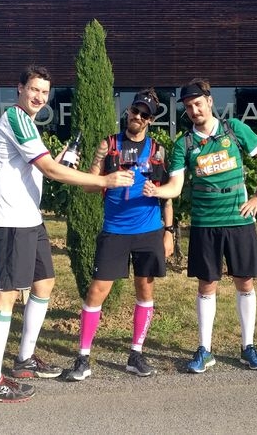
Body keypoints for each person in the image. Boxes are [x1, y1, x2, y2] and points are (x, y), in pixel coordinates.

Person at [0, 65, 134, 403]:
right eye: (34, 89)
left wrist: (63, 158)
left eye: (44, 92)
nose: (39, 97)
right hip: (10, 219)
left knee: (44, 282)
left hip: (28, 217)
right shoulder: (17, 119)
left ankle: (24, 359)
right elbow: (49, 169)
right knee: (6, 295)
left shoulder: (29, 124)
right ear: (19, 88)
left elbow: (43, 166)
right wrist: (104, 181)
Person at [143, 77, 257, 373]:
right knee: (207, 285)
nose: (194, 110)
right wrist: (156, 191)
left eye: (198, 104)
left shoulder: (234, 130)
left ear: (210, 102)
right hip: (205, 224)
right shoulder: (184, 144)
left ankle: (248, 347)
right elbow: (176, 186)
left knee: (245, 281)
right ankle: (205, 349)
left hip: (238, 220)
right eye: (189, 107)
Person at [63, 89, 175, 381]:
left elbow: (167, 195)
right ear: (128, 111)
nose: (137, 116)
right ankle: (83, 358)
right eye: (134, 110)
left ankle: (135, 354)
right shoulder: (109, 145)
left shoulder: (158, 150)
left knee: (145, 289)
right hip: (115, 231)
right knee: (96, 291)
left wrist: (170, 231)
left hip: (149, 231)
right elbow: (89, 185)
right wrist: (105, 180)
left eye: (144, 114)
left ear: (150, 120)